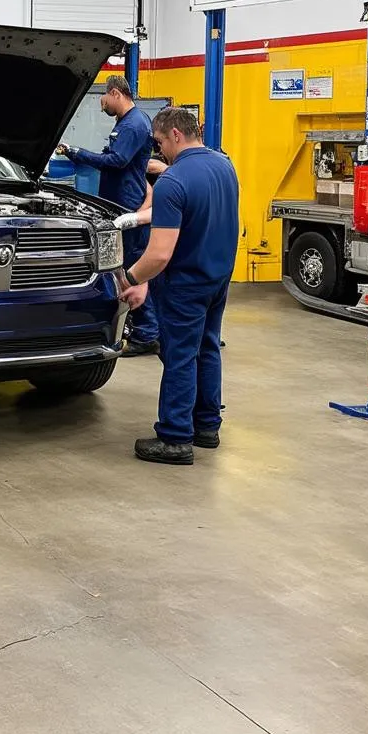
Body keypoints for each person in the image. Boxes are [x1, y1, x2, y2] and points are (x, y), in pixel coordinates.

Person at [118, 107, 240, 466]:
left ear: (174, 135)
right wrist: (140, 216)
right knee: (207, 347)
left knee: (179, 355)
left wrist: (129, 278)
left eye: (159, 143)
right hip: (218, 277)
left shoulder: (172, 181)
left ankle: (174, 438)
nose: (159, 153)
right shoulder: (224, 166)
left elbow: (157, 255)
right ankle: (206, 427)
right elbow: (203, 213)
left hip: (184, 283)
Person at [57, 75, 159, 357]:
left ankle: (148, 333)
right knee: (125, 266)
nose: (101, 104)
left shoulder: (134, 124)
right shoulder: (127, 123)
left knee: (132, 266)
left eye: (103, 98)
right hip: (117, 203)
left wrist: (78, 153)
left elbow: (118, 161)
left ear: (115, 93)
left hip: (126, 207)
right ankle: (142, 327)